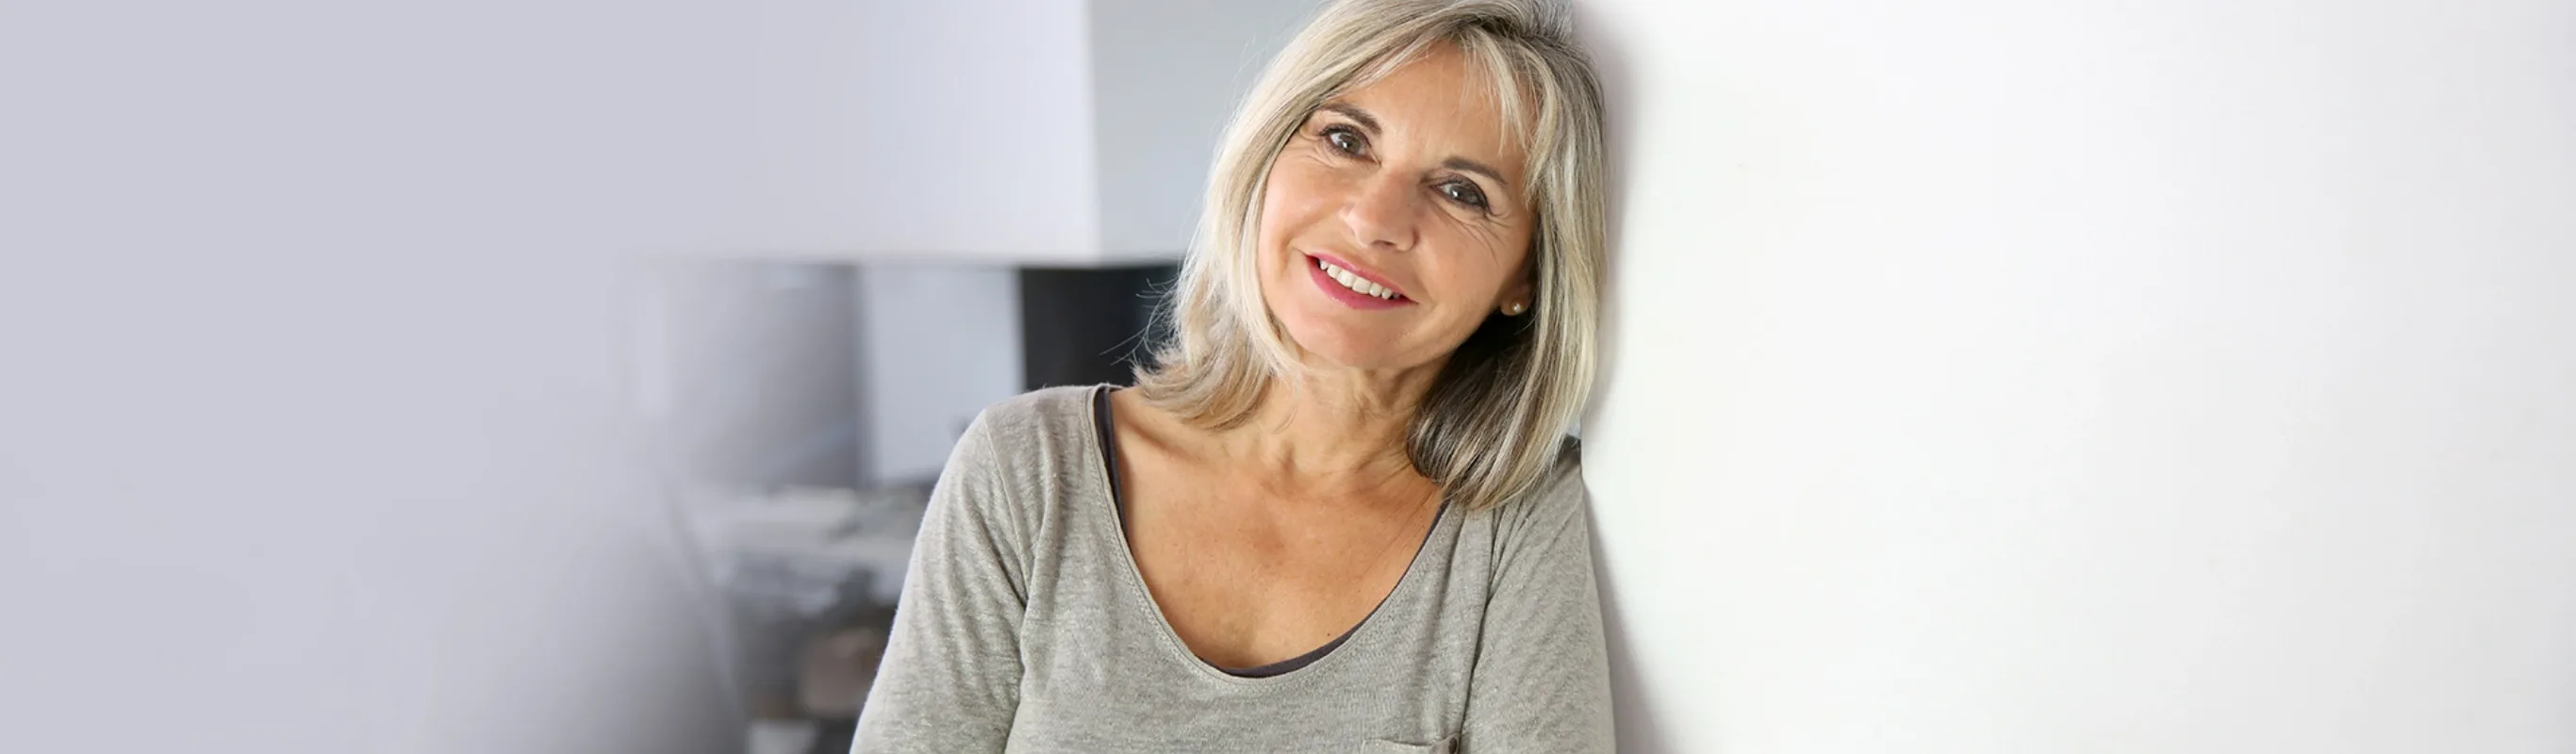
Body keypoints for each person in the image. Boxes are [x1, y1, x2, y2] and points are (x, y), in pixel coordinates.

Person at [851, 0, 1611, 750]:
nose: (1376, 219)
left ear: (1528, 277)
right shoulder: (1027, 469)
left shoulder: (1520, 524)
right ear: (1266, 157)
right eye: (1346, 140)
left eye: (1461, 192)